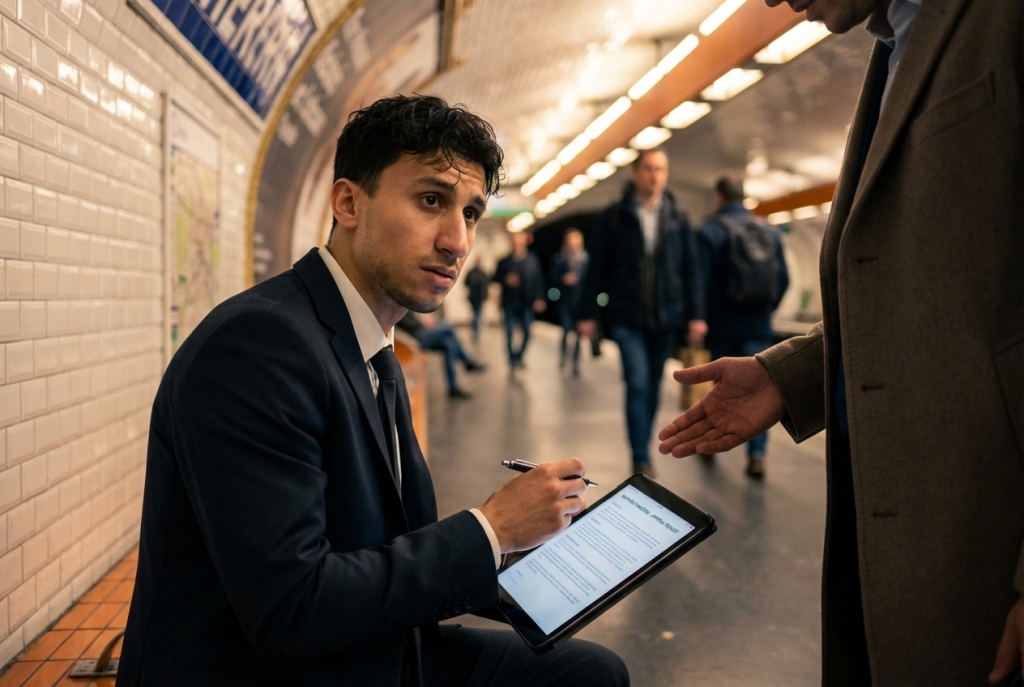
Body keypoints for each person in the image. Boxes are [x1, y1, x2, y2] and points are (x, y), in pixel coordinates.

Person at [119, 95, 628, 687]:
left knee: (588, 672)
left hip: (364, 643)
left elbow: (381, 541)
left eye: (470, 214)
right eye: (431, 200)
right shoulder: (260, 345)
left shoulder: (365, 341)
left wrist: (512, 551)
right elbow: (290, 609)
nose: (456, 242)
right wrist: (489, 530)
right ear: (348, 202)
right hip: (274, 667)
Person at [659, 0, 1024, 684]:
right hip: (904, 538)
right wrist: (792, 374)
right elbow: (937, 286)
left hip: (989, 533)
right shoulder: (895, 44)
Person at [577, 149, 706, 477]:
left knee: (652, 386)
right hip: (626, 316)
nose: (655, 176)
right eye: (649, 169)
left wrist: (697, 314)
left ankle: (644, 444)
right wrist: (587, 312)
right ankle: (639, 455)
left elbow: (691, 269)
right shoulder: (614, 217)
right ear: (635, 173)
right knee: (637, 382)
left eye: (661, 169)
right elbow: (597, 268)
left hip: (666, 318)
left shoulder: (677, 216)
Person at [695, 177, 789, 479]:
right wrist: (765, 311)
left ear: (719, 197)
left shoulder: (710, 231)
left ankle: (712, 442)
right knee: (759, 386)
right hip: (758, 325)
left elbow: (701, 281)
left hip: (722, 326)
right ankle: (757, 455)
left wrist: (702, 317)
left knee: (719, 386)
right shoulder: (769, 231)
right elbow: (782, 279)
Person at [397, 311, 485, 399]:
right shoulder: (399, 310)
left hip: (421, 332)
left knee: (448, 344)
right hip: (417, 335)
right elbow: (411, 326)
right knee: (449, 329)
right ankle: (467, 362)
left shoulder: (405, 309)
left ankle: (453, 387)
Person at [493, 232, 546, 370]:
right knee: (509, 333)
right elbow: (495, 277)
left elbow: (538, 280)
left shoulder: (532, 260)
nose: (517, 244)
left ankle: (519, 356)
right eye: (514, 242)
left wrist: (539, 298)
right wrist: (505, 279)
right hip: (509, 303)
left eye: (519, 241)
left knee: (528, 332)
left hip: (526, 302)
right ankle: (511, 361)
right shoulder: (504, 261)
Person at [550, 228, 589, 376]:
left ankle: (576, 363)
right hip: (565, 301)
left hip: (580, 301)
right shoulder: (560, 258)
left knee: (579, 334)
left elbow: (591, 280)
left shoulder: (586, 259)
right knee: (566, 331)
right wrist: (563, 279)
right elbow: (552, 276)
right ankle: (563, 357)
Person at [464, 259, 489, 342]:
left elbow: (486, 285)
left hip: (478, 297)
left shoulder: (480, 273)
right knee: (476, 314)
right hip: (475, 297)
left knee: (476, 314)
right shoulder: (477, 273)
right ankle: (476, 330)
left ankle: (476, 330)